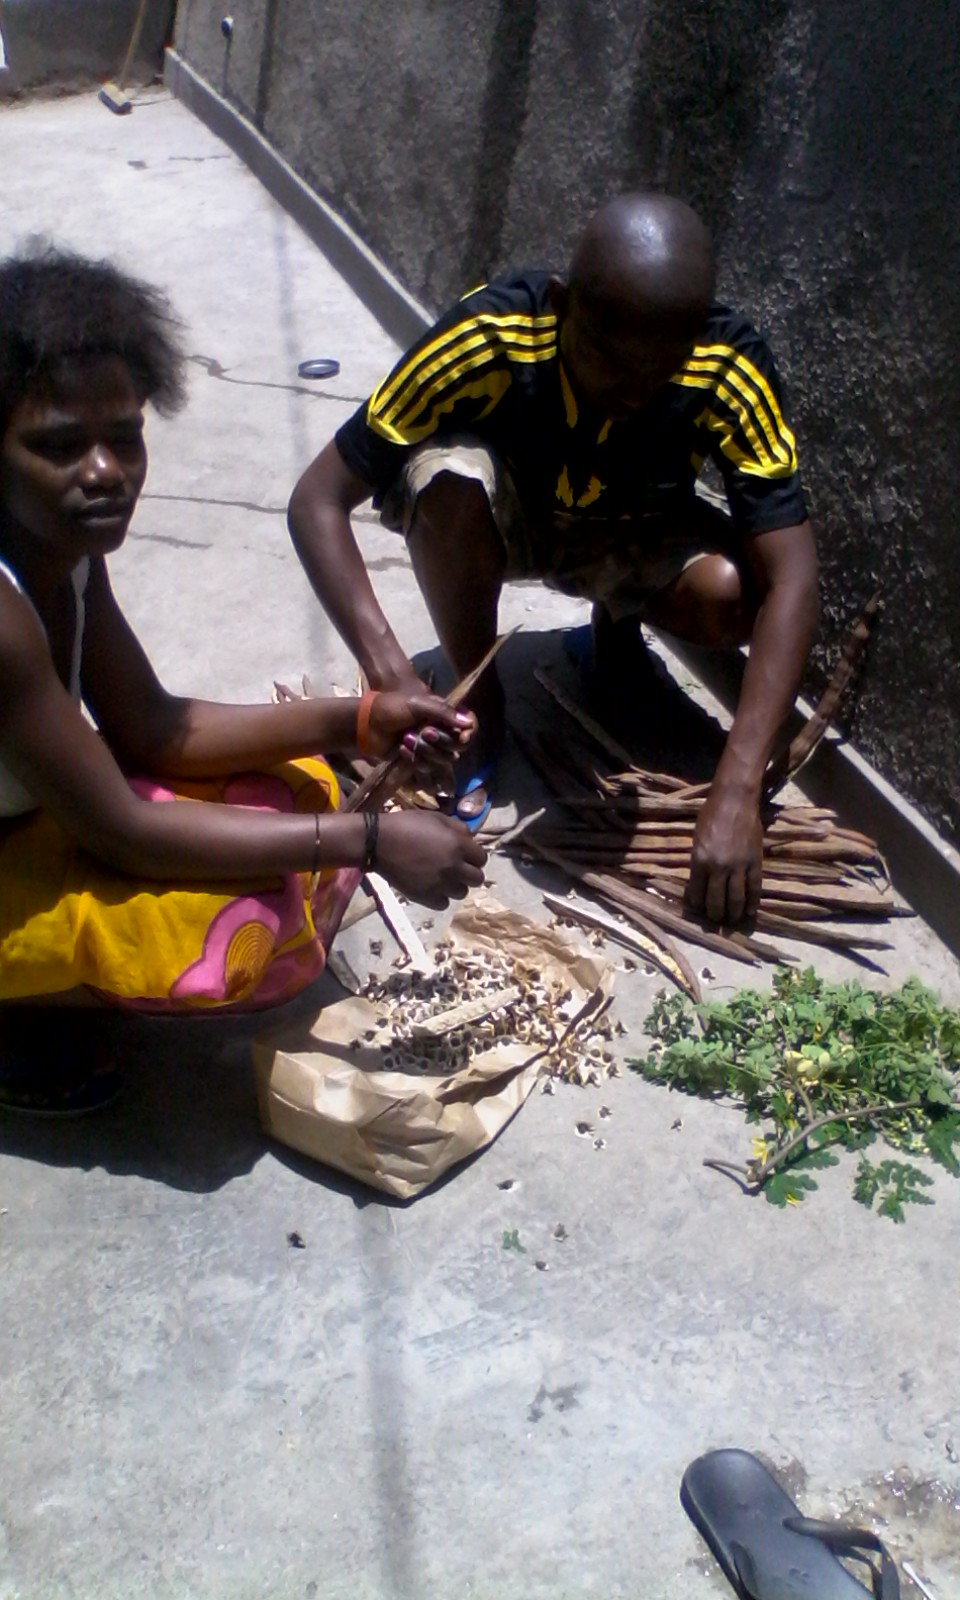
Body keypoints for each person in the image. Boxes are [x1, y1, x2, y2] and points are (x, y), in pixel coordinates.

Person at [0, 245, 485, 1111]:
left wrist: (360, 718)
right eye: (59, 446)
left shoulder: (60, 549)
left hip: (33, 810)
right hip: (56, 822)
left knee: (295, 789)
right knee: (224, 928)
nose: (105, 471)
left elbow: (154, 727)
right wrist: (368, 843)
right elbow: (120, 830)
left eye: (125, 437)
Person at [287, 193, 819, 928]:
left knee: (738, 593)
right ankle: (481, 699)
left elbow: (793, 574)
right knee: (445, 486)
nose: (632, 393)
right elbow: (317, 500)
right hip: (510, 527)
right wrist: (392, 677)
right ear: (564, 306)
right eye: (610, 361)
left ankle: (614, 643)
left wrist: (737, 782)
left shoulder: (729, 363)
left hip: (631, 535)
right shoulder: (490, 335)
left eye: (658, 370)